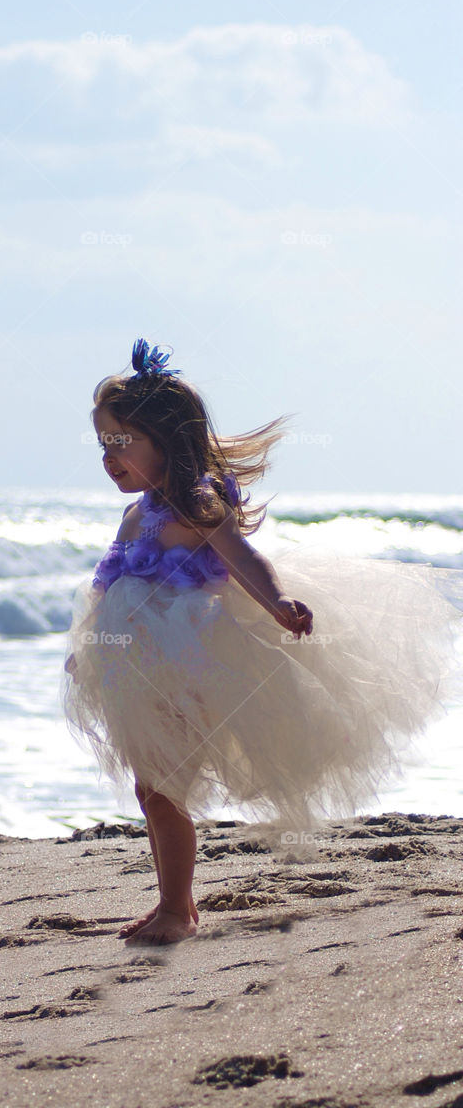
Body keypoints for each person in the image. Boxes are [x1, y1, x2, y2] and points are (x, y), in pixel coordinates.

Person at [62, 338, 463, 946]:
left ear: (168, 442)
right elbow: (107, 584)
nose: (109, 457)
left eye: (123, 442)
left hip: (197, 660)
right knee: (151, 786)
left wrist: (275, 603)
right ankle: (176, 902)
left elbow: (242, 557)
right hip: (137, 668)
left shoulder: (198, 503)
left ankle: (176, 908)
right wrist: (87, 646)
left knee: (166, 785)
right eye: (103, 445)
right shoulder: (135, 515)